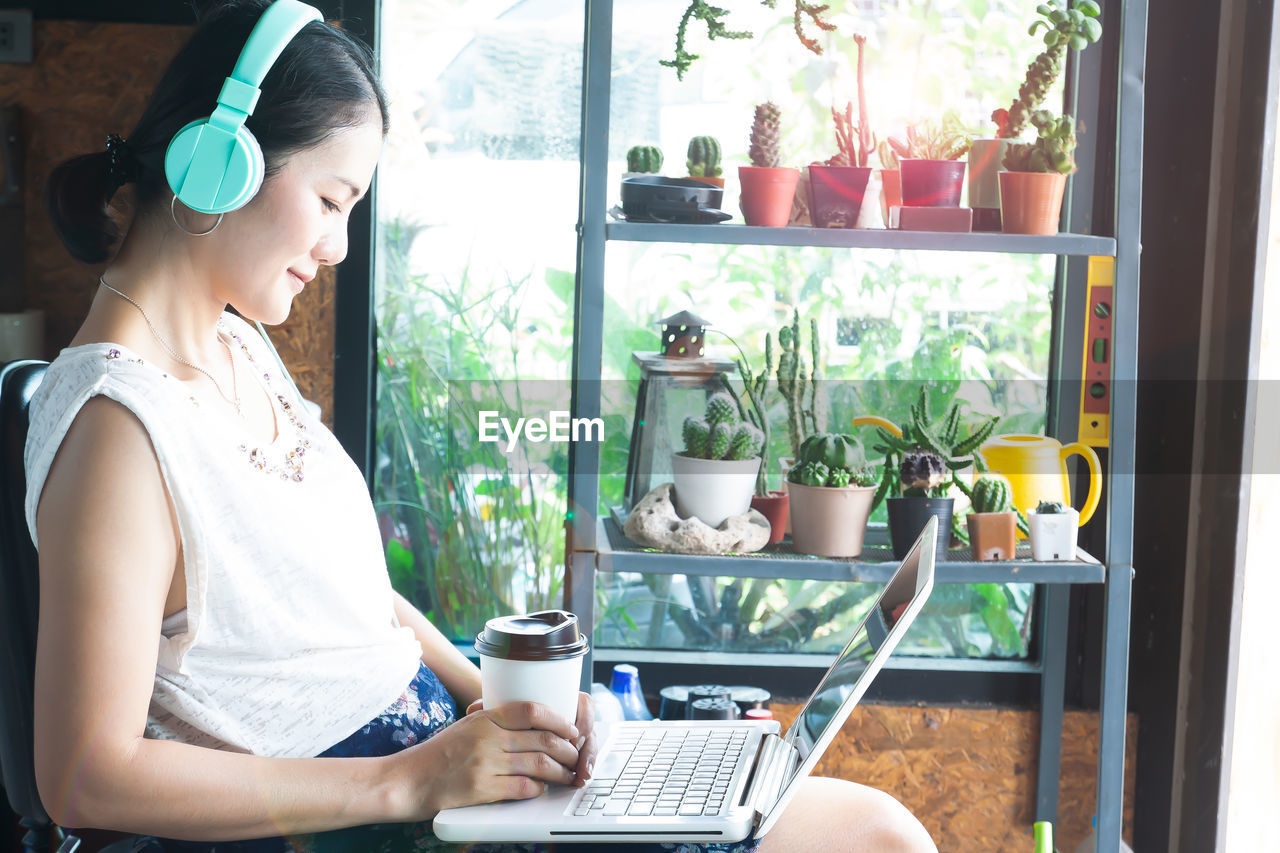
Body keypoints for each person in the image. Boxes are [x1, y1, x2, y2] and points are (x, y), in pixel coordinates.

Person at [27, 2, 939, 852]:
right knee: (872, 837)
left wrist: (498, 702)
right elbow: (83, 777)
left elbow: (344, 600)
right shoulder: (118, 428)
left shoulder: (236, 345)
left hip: (441, 771)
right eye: (333, 199)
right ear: (219, 160)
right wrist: (409, 782)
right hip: (368, 814)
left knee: (872, 825)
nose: (340, 246)